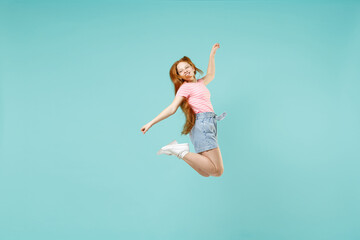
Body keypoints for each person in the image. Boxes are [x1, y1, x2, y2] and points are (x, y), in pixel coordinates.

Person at [140, 43, 227, 177]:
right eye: (181, 71)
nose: (185, 70)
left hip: (206, 124)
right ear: (180, 76)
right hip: (203, 125)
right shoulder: (185, 88)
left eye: (187, 67)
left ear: (193, 68)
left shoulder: (199, 83)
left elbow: (211, 74)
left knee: (205, 172)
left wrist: (212, 55)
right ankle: (178, 150)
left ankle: (179, 151)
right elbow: (172, 108)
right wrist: (151, 122)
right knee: (217, 171)